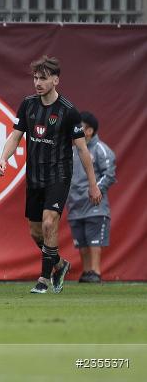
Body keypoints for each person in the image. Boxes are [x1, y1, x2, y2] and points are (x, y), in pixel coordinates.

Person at [0, 55, 102, 294]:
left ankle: (44, 280)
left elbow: (83, 150)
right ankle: (59, 264)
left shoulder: (69, 111)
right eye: (35, 78)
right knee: (36, 232)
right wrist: (3, 158)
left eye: (43, 78)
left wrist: (93, 185)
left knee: (48, 223)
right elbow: (15, 137)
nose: (37, 82)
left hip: (59, 175)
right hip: (34, 177)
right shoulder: (28, 105)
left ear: (56, 80)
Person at [65, 112, 116, 283]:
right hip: (75, 206)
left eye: (79, 127)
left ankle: (96, 271)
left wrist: (95, 190)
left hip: (95, 205)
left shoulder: (101, 149)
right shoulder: (72, 151)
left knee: (94, 241)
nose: (75, 130)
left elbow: (109, 174)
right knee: (82, 242)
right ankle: (87, 272)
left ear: (89, 131)